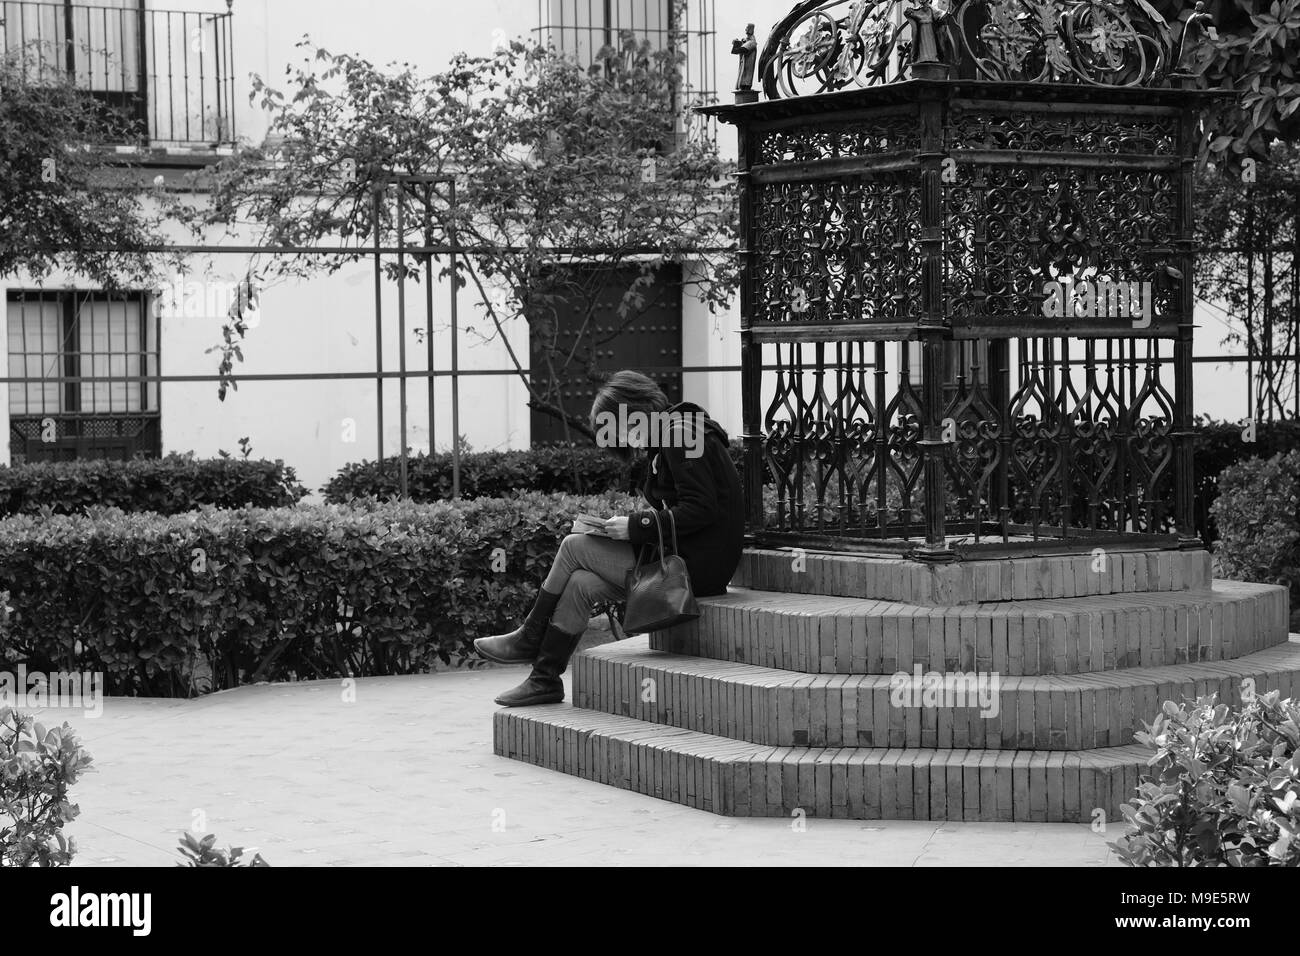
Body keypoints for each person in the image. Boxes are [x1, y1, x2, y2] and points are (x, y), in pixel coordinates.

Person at [474, 370, 746, 707]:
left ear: (632, 411)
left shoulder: (680, 435)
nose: (609, 435)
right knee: (581, 584)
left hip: (698, 569)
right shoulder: (670, 437)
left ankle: (529, 637)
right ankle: (544, 679)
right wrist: (626, 529)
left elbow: (701, 509)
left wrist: (635, 526)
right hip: (683, 559)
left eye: (610, 424)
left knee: (573, 546)